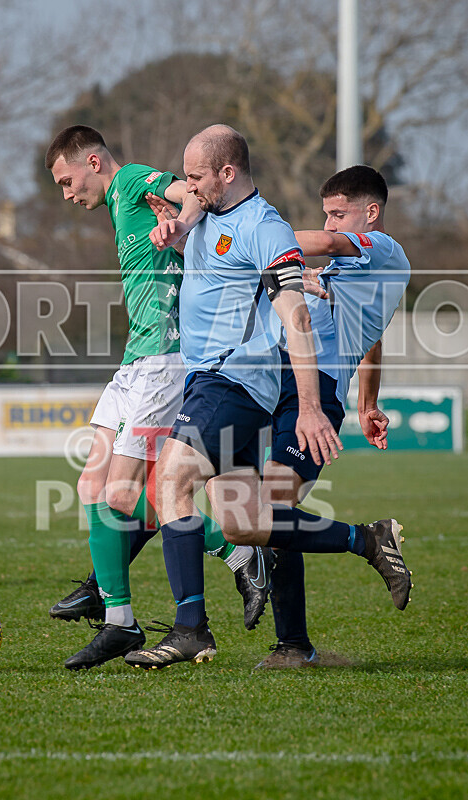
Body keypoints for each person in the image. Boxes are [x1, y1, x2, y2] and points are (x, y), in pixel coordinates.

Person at [44, 125, 271, 671]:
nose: (68, 194)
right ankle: (120, 620)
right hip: (133, 362)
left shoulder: (129, 181)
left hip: (164, 362)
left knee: (124, 496)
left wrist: (182, 217)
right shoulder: (121, 201)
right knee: (92, 484)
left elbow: (190, 192)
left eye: (68, 181)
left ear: (94, 162)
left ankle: (240, 553)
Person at [125, 124, 351, 671]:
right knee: (247, 521)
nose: (188, 184)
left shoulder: (264, 228)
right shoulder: (208, 210)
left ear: (228, 174)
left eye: (197, 177)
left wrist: (313, 407)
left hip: (236, 379)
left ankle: (190, 629)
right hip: (208, 380)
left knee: (171, 480)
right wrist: (173, 230)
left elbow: (295, 319)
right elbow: (195, 228)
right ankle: (362, 546)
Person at [256, 164, 411, 668]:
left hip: (314, 393)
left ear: (371, 213)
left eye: (338, 214)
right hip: (277, 380)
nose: (329, 225)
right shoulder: (357, 273)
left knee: (269, 512)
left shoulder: (384, 249)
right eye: (325, 215)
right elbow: (371, 337)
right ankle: (293, 645)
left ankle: (366, 540)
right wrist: (368, 404)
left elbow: (319, 248)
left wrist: (258, 241)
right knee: (266, 515)